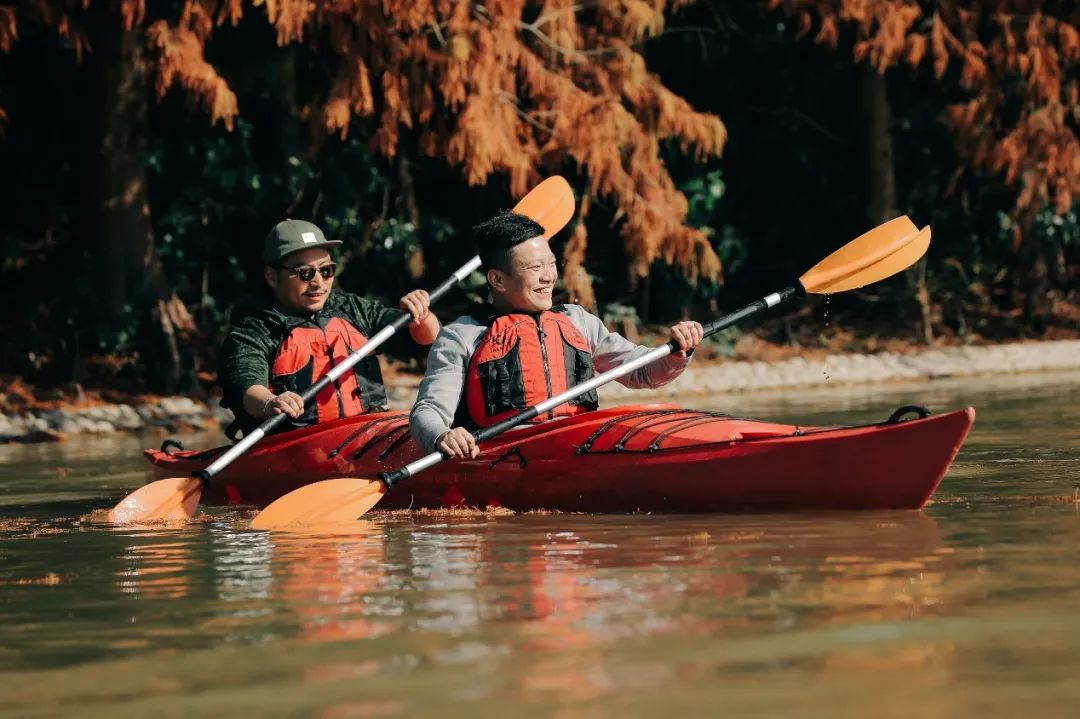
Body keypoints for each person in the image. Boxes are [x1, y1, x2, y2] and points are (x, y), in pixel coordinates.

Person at [409, 211, 703, 458]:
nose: (549, 276)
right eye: (535, 267)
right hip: (505, 452)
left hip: (580, 442)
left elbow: (641, 372)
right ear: (497, 279)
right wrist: (442, 436)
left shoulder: (577, 320)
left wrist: (678, 351)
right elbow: (428, 410)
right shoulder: (462, 335)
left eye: (551, 264)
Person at [219, 218, 440, 439]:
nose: (318, 282)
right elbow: (245, 385)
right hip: (298, 446)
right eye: (305, 272)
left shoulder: (351, 309)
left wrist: (421, 314)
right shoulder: (256, 327)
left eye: (326, 270)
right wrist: (270, 402)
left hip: (367, 437)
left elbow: (427, 343)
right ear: (271, 277)